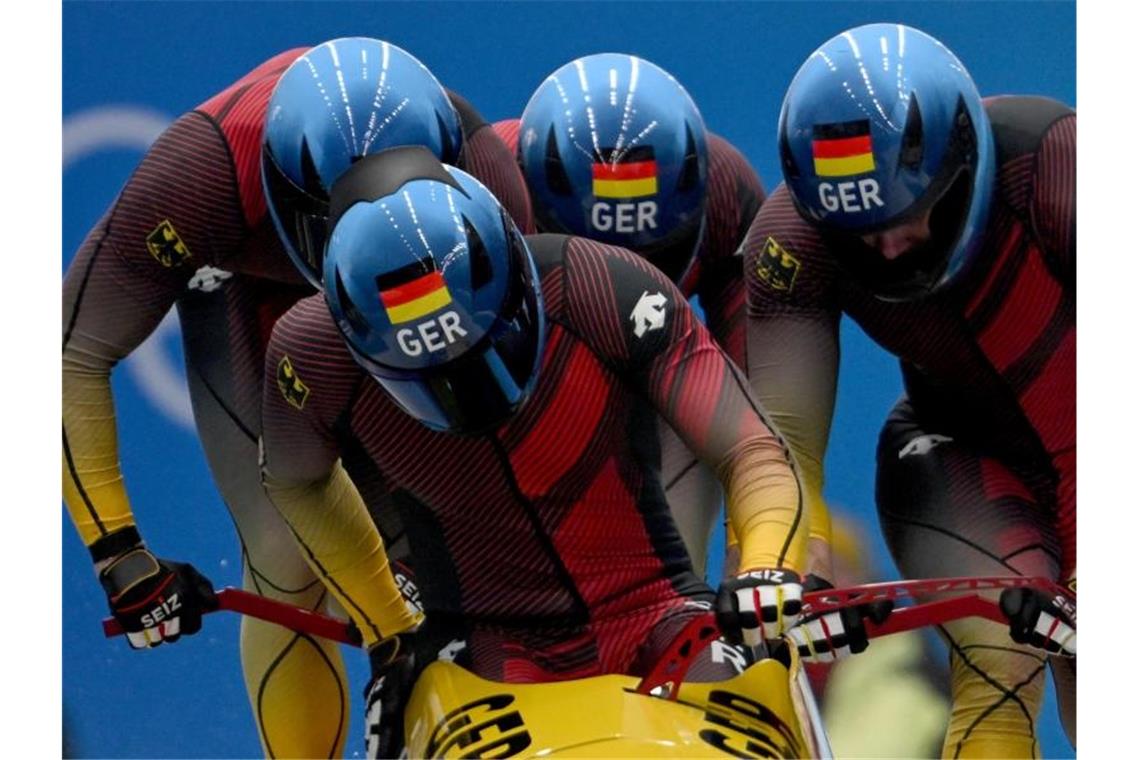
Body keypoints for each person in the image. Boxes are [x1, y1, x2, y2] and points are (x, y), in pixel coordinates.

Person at [62, 37, 531, 758]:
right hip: (246, 297)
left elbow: (543, 366)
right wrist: (119, 552)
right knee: (285, 558)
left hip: (414, 304)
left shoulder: (479, 169)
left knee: (464, 546)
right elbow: (71, 355)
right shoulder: (200, 177)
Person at [258, 146, 808, 758]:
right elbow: (297, 482)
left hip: (658, 614)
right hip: (488, 648)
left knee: (761, 682)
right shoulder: (311, 357)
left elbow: (749, 448)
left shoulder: (600, 286)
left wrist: (765, 565)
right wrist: (390, 628)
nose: (463, 387)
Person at [743, 23, 1075, 757]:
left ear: (962, 165)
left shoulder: (1055, 166)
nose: (888, 246)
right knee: (998, 676)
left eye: (904, 214)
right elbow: (781, 451)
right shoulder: (793, 242)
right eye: (859, 231)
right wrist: (793, 564)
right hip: (955, 458)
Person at [490, 54, 767, 576]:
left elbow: (753, 400)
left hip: (656, 370)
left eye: (647, 256)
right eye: (590, 259)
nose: (621, 287)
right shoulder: (488, 191)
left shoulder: (727, 194)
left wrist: (759, 553)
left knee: (706, 405)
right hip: (529, 390)